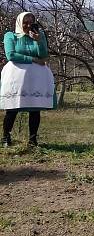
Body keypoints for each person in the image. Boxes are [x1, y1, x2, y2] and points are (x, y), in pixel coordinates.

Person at [1, 12, 55, 147]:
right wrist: (33, 59)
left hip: (36, 78)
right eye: (25, 22)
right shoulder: (10, 36)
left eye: (31, 22)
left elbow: (43, 55)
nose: (28, 25)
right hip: (16, 77)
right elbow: (11, 55)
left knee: (35, 108)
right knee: (12, 108)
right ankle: (6, 137)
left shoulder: (39, 35)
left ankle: (32, 139)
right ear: (19, 22)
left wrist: (38, 41)